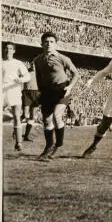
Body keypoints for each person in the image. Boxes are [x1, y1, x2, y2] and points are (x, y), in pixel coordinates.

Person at [34, 32, 79, 161]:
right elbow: (38, 78)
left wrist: (70, 87)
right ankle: (49, 146)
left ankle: (58, 144)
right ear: (42, 44)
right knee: (47, 121)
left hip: (62, 90)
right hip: (47, 92)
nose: (49, 44)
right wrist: (40, 93)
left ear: (56, 44)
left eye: (52, 42)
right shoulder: (38, 60)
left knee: (56, 115)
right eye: (46, 42)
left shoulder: (63, 58)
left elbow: (76, 74)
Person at [2, 42, 31, 151]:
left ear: (14, 51)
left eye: (10, 48)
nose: (8, 50)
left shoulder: (18, 63)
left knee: (16, 116)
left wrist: (21, 79)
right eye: (6, 48)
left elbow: (27, 76)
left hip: (14, 90)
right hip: (2, 90)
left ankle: (19, 143)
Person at [22, 61, 41, 141]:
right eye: (32, 64)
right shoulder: (25, 71)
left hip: (36, 93)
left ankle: (26, 136)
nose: (33, 65)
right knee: (25, 114)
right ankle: (16, 130)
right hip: (27, 92)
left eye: (34, 64)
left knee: (32, 116)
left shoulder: (40, 73)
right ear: (30, 64)